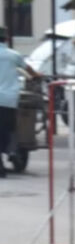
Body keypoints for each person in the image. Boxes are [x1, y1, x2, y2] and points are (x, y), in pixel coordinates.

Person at [0, 27, 42, 178]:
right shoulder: (13, 55)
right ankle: (11, 151)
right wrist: (37, 75)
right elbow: (29, 69)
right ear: (6, 39)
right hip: (9, 100)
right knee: (8, 129)